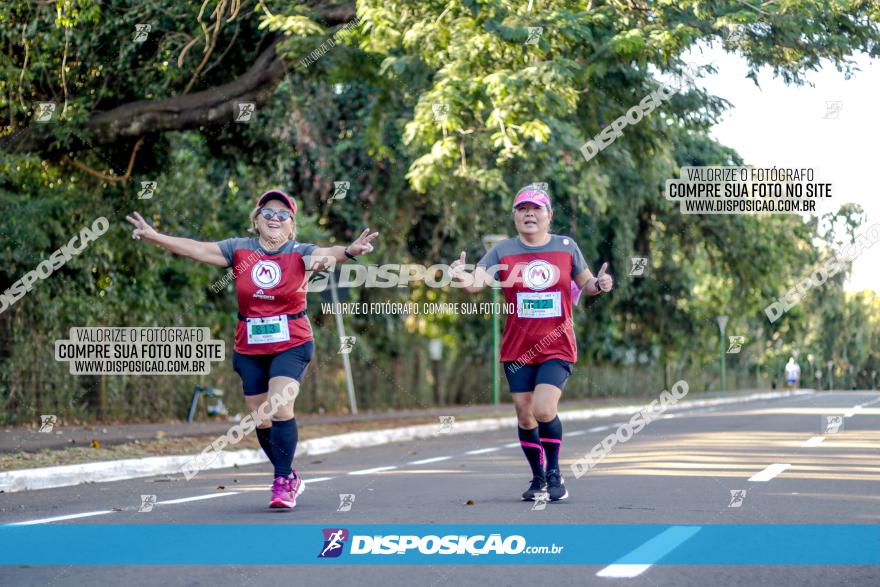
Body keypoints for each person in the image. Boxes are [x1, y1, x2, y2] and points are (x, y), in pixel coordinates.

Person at [126, 190, 378, 509]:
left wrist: (349, 251)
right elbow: (197, 249)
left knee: (279, 404)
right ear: (256, 221)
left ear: (291, 226)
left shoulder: (300, 253)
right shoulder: (239, 250)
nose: (275, 218)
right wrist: (156, 236)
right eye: (267, 213)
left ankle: (283, 480)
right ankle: (287, 473)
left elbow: (328, 253)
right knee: (260, 418)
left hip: (292, 342)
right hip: (249, 346)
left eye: (283, 215)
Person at [449, 184, 613, 502]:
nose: (529, 214)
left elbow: (588, 284)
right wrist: (460, 276)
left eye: (536, 209)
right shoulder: (503, 251)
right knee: (525, 416)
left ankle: (554, 474)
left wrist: (601, 284)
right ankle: (537, 477)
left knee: (543, 408)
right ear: (514, 216)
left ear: (549, 215)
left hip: (557, 344)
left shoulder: (567, 247)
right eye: (522, 209)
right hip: (517, 348)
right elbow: (475, 284)